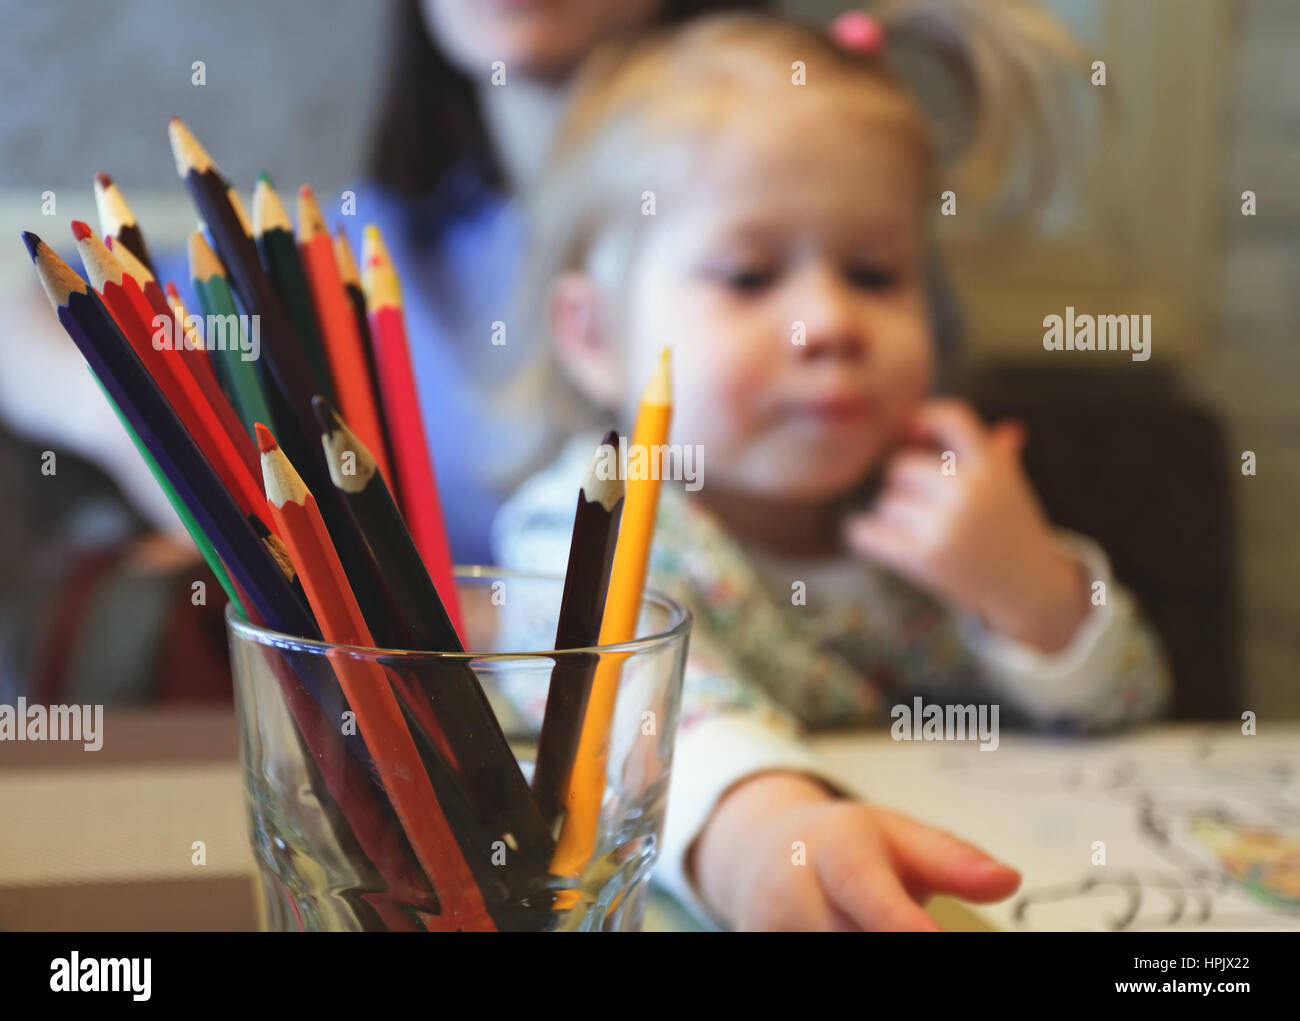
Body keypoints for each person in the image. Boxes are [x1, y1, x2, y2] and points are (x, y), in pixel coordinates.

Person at [492, 8, 1172, 930]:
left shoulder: (933, 510)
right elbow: (644, 727)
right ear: (593, 335)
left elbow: (1132, 709)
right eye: (750, 276)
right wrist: (770, 837)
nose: (831, 323)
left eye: (875, 273)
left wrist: (1030, 592)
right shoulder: (583, 527)